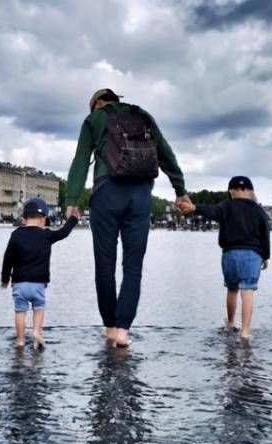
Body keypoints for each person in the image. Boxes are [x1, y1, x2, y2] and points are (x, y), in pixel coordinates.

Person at [65, 88, 193, 347]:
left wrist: (71, 200)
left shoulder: (94, 119)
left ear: (98, 103)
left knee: (105, 265)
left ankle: (110, 327)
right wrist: (180, 191)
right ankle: (124, 330)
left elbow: (80, 159)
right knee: (133, 268)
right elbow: (166, 153)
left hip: (107, 193)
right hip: (141, 196)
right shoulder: (142, 114)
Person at [179, 176, 270, 339]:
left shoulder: (226, 205)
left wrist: (194, 207)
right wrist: (266, 255)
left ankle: (230, 323)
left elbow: (211, 211)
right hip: (252, 253)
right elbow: (265, 231)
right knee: (247, 291)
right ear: (249, 191)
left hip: (229, 253)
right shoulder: (257, 209)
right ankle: (245, 332)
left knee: (232, 289)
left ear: (231, 191)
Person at [1, 197, 79, 348]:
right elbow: (63, 232)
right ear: (43, 218)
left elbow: (7, 259)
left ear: (24, 219)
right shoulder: (46, 235)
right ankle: (36, 332)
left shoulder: (16, 234)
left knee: (20, 311)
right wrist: (73, 219)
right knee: (38, 308)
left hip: (20, 283)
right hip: (38, 283)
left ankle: (20, 340)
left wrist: (4, 279)